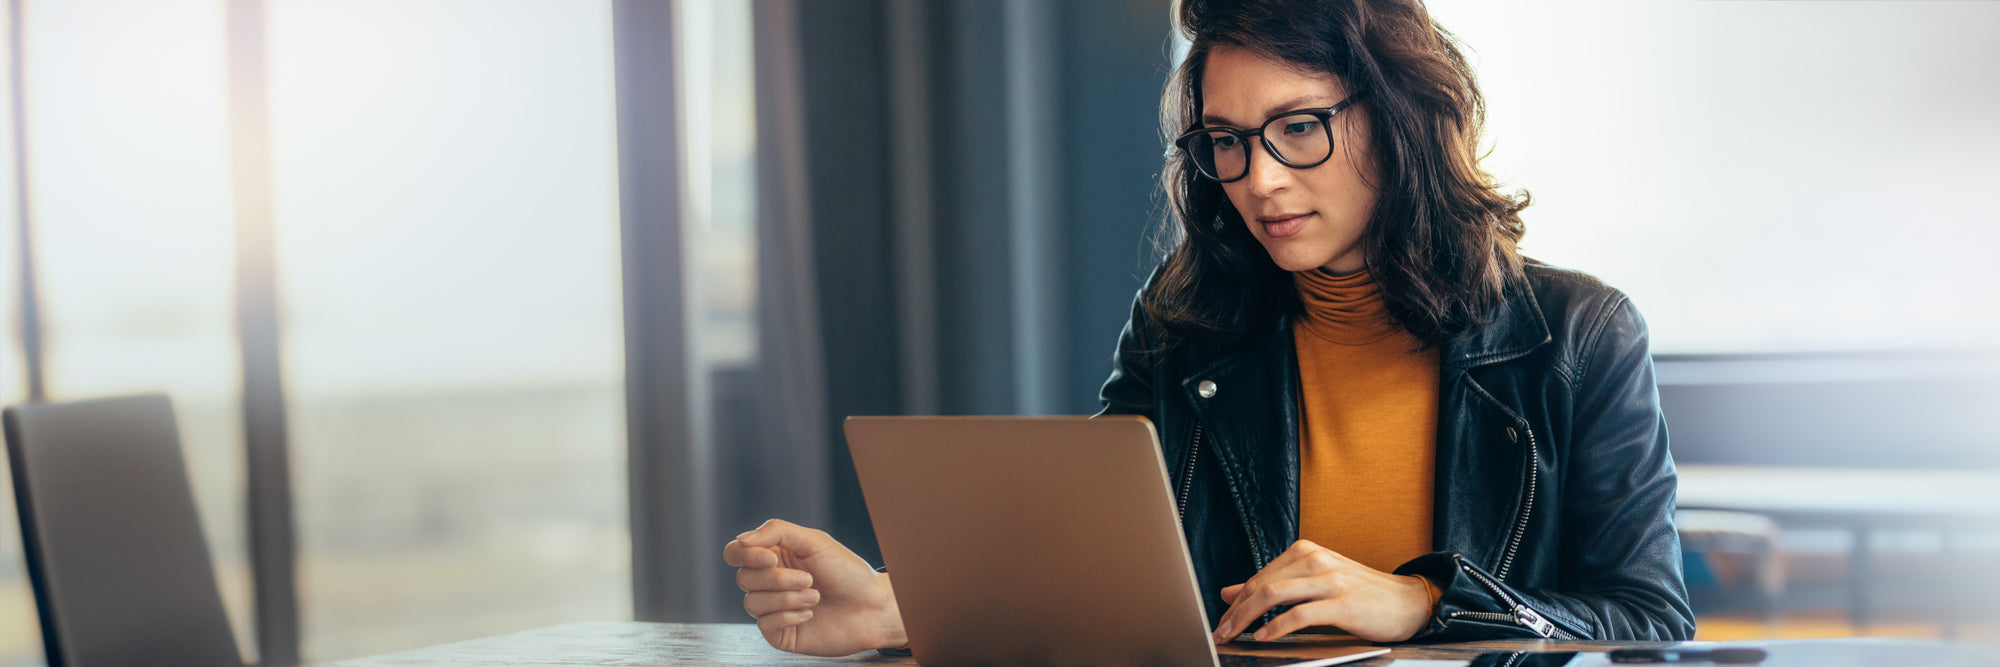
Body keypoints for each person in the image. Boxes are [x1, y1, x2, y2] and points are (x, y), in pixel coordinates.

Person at [722, 0, 1696, 656]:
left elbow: (1649, 620)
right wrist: (901, 605)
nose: (1259, 178)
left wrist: (1424, 604)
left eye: (1298, 126)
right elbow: (1099, 571)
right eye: (1224, 141)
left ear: (1400, 116)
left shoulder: (1574, 332)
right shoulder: (1186, 318)